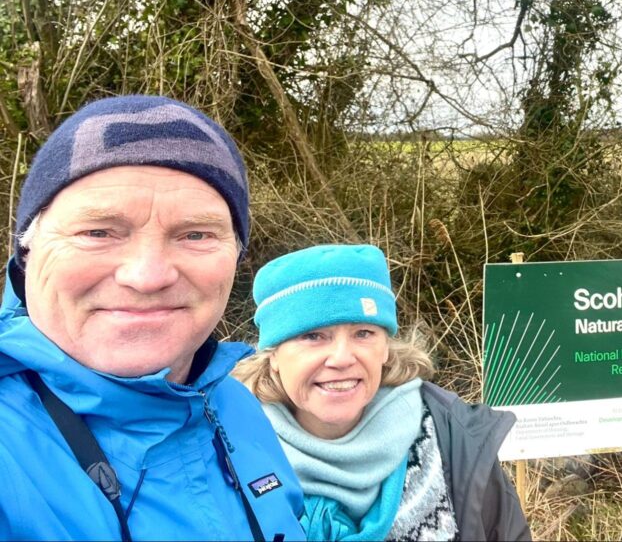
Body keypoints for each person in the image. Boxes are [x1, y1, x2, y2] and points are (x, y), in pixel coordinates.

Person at [0, 95, 305, 540]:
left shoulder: (237, 406)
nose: (147, 276)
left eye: (196, 234)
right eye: (98, 232)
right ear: (28, 249)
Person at [233, 243, 531, 541]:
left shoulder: (456, 441)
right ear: (272, 355)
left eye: (363, 333)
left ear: (385, 347)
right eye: (313, 336)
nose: (342, 358)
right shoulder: (228, 454)